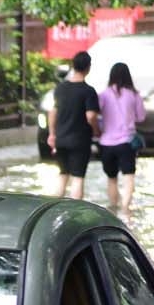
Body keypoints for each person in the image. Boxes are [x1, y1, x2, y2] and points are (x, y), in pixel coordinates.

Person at [48, 50, 99, 200]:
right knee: (78, 177)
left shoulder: (61, 88)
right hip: (80, 140)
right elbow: (91, 116)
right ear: (88, 68)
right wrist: (96, 130)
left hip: (61, 139)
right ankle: (75, 212)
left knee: (63, 175)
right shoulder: (88, 91)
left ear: (73, 66)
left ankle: (54, 208)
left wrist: (52, 134)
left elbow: (53, 112)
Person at [96, 62, 145, 215]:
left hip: (106, 143)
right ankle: (126, 210)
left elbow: (96, 114)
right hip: (126, 142)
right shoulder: (134, 95)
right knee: (128, 178)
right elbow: (141, 117)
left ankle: (113, 210)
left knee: (112, 179)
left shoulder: (103, 95)